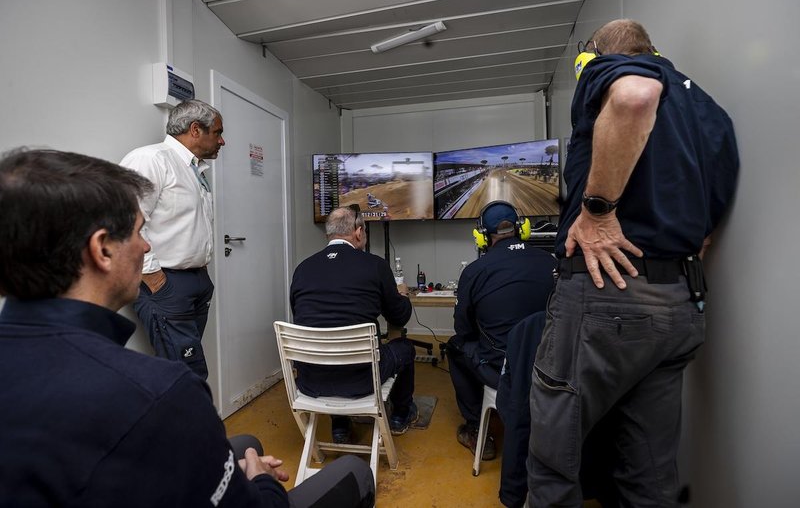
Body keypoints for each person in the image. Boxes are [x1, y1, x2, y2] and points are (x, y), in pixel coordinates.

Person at [0, 149, 375, 508]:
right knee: (355, 473)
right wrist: (258, 479)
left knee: (245, 441)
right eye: (139, 232)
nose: (146, 245)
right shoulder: (163, 389)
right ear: (102, 250)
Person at [528, 19, 739, 506]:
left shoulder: (617, 70)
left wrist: (597, 212)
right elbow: (710, 217)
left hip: (606, 298)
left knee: (553, 464)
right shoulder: (709, 113)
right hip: (680, 304)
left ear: (591, 59)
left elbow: (634, 96)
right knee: (648, 476)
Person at [290, 206, 417, 442]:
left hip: (311, 381)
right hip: (363, 380)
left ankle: (340, 427)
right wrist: (403, 296)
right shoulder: (375, 266)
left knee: (330, 345)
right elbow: (399, 318)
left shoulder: (302, 269)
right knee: (405, 348)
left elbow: (302, 316)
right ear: (358, 232)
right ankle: (401, 415)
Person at [120, 99, 223, 379]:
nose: (222, 141)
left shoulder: (192, 168)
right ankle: (192, 423)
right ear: (195, 130)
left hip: (197, 281)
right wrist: (155, 279)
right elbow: (123, 222)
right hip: (165, 282)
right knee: (187, 371)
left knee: (181, 365)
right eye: (217, 132)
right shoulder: (151, 159)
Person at [447, 201, 556, 461]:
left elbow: (462, 329)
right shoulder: (551, 262)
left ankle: (476, 429)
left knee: (454, 346)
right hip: (548, 366)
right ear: (523, 229)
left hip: (502, 368)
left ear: (482, 236)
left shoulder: (475, 271)